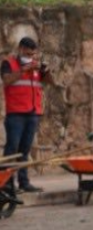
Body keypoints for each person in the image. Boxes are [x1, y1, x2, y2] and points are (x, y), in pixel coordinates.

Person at [2, 37, 51, 193]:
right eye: (28, 53)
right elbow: (7, 81)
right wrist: (23, 70)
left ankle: (24, 182)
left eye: (33, 54)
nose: (30, 57)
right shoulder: (8, 63)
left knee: (25, 150)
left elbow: (50, 82)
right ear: (21, 49)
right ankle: (6, 183)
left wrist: (46, 71)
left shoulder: (35, 67)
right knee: (12, 150)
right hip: (15, 114)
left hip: (32, 113)